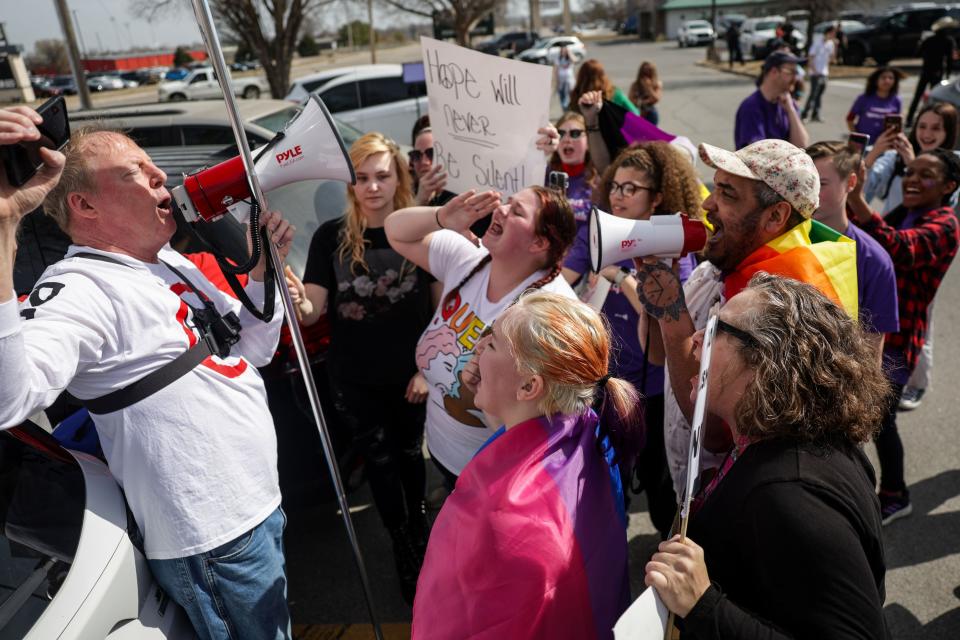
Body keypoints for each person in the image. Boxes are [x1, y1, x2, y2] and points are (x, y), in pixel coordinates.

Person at [0, 110, 295, 640]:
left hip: (252, 506)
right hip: (212, 534)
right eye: (133, 171)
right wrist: (2, 228)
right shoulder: (79, 287)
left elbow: (255, 348)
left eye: (152, 165)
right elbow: (9, 397)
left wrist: (259, 273)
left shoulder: (166, 264)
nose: (160, 176)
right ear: (84, 205)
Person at [646, 273, 889, 639]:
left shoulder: (790, 494)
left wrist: (702, 603)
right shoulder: (792, 442)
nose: (696, 339)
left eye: (714, 329)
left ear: (763, 359)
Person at [636, 138, 859, 498]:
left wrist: (671, 307)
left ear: (775, 216)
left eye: (727, 193)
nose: (707, 202)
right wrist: (659, 299)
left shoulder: (787, 310)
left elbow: (713, 431)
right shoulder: (717, 268)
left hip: (730, 509)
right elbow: (659, 356)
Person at [412, 292, 640, 639]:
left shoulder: (507, 515)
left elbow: (471, 622)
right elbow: (524, 429)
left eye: (492, 344)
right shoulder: (587, 427)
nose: (477, 347)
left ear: (529, 386)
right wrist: (497, 399)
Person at [285, 132, 435, 604]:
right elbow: (313, 310)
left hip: (411, 377)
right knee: (382, 465)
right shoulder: (332, 236)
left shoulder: (421, 233)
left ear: (398, 178)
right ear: (350, 184)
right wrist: (297, 297)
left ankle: (423, 537)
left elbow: (442, 312)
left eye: (382, 177)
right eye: (362, 178)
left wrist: (428, 370)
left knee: (412, 459)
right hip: (354, 379)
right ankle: (405, 551)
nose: (373, 187)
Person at [384, 185, 577, 485]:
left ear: (539, 242)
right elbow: (394, 229)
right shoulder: (469, 258)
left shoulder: (552, 309)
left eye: (516, 211)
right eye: (507, 202)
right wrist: (441, 216)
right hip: (440, 450)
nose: (500, 209)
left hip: (494, 478)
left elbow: (559, 410)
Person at [562, 141, 702, 538]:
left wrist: (620, 278)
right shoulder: (601, 231)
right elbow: (563, 280)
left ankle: (667, 539)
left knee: (658, 479)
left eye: (631, 188)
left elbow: (676, 320)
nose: (618, 196)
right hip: (605, 379)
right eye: (615, 186)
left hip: (653, 389)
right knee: (607, 471)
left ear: (655, 198)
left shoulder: (672, 250)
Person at [847, 148, 960, 524]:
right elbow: (865, 237)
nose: (912, 179)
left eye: (925, 175)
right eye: (910, 172)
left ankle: (895, 494)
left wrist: (858, 199)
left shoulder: (945, 224)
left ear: (949, 186)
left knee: (881, 419)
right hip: (877, 333)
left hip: (899, 342)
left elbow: (900, 248)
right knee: (874, 417)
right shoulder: (906, 212)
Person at [806, 140, 899, 354]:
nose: (811, 192)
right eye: (807, 182)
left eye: (822, 183)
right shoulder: (780, 237)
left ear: (851, 182)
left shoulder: (874, 260)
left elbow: (872, 348)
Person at [864, 101, 959, 215]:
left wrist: (912, 165)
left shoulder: (954, 163)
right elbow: (864, 189)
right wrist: (874, 153)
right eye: (922, 126)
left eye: (936, 128)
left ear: (948, 132)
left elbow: (946, 204)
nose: (927, 134)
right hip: (888, 230)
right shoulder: (896, 157)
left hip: (922, 231)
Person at [734, 51, 810, 150]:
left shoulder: (788, 104)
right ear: (774, 72)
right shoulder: (752, 107)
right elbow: (757, 154)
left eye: (797, 73)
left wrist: (791, 110)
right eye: (792, 72)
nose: (796, 78)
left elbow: (802, 147)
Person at [547, 111, 596, 226]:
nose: (567, 139)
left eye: (575, 133)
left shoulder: (599, 181)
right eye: (561, 134)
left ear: (588, 142)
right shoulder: (543, 175)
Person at [906, 17, 957, 127]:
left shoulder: (929, 39)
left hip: (926, 71)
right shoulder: (949, 41)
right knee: (935, 98)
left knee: (918, 96)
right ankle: (936, 120)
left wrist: (920, 43)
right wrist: (947, 75)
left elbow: (917, 54)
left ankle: (910, 119)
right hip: (938, 72)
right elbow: (949, 60)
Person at [847, 66, 906, 145]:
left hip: (884, 145)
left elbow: (898, 125)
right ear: (876, 80)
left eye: (891, 78)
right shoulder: (863, 98)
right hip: (863, 144)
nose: (887, 81)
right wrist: (857, 138)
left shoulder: (897, 100)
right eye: (883, 77)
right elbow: (850, 119)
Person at [570, 58, 638, 117]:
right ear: (602, 75)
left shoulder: (576, 95)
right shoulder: (614, 93)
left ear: (581, 76)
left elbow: (570, 116)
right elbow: (635, 112)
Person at [801, 26, 836, 123]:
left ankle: (815, 114)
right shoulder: (817, 42)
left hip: (824, 72)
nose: (833, 35)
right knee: (813, 95)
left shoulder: (831, 44)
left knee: (819, 95)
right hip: (815, 73)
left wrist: (836, 46)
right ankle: (805, 114)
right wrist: (814, 70)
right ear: (827, 33)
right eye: (832, 33)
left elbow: (832, 59)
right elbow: (811, 57)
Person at [628, 61, 663, 126]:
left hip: (650, 113)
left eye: (649, 72)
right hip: (637, 112)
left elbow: (656, 99)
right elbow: (630, 100)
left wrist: (648, 88)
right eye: (644, 73)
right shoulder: (635, 85)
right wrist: (641, 102)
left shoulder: (657, 84)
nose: (646, 76)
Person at [554, 46, 576, 112]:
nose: (563, 52)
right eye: (562, 50)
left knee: (569, 97)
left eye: (565, 50)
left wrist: (569, 53)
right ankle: (565, 110)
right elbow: (556, 70)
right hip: (561, 82)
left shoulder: (569, 58)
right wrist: (557, 82)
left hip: (569, 81)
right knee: (562, 96)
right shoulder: (558, 59)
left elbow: (575, 60)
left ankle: (569, 109)